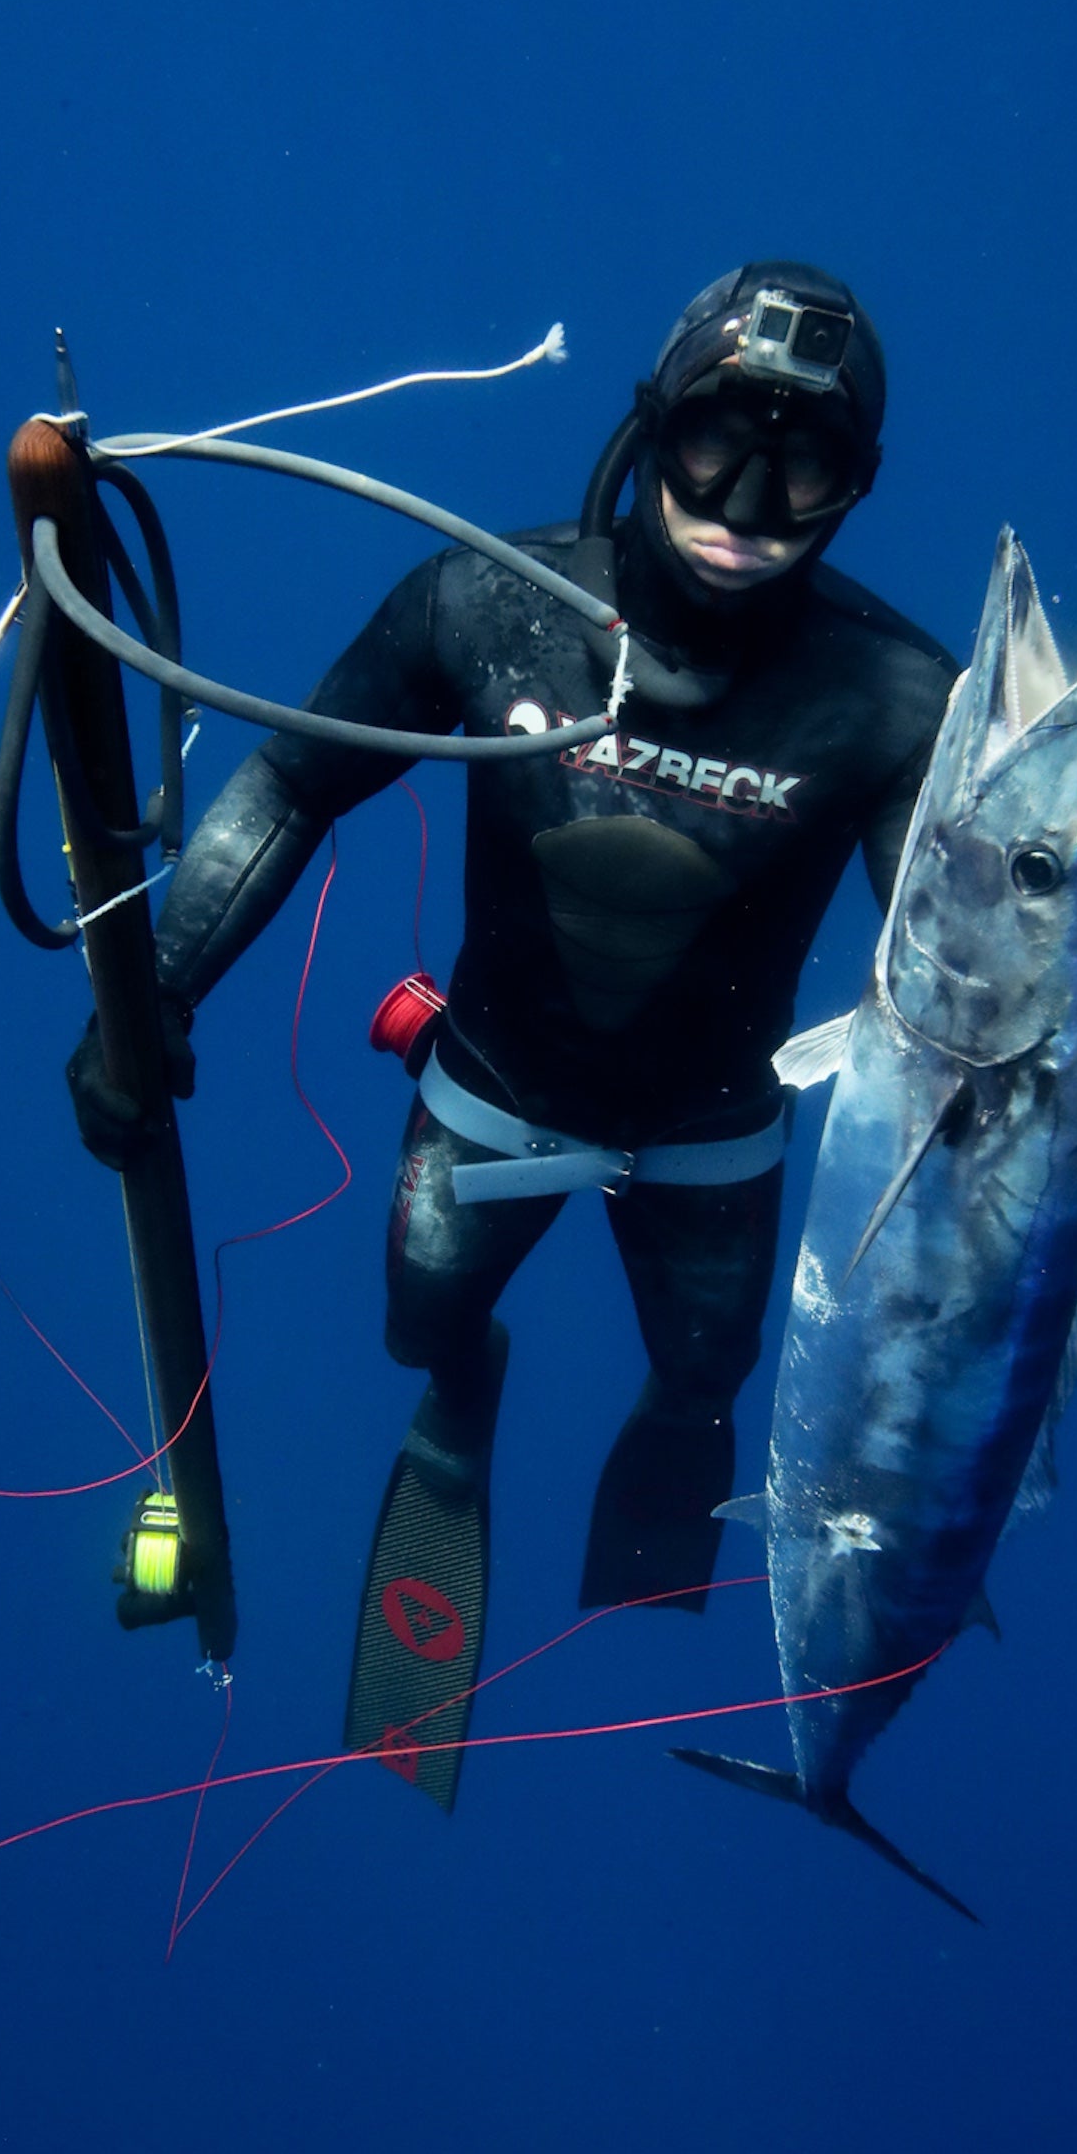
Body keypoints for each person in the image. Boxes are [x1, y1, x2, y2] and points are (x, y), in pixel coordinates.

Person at [68, 262, 957, 1802]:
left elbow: (950, 992)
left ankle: (643, 1545)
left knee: (705, 1377)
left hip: (716, 1137)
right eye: (715, 444)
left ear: (855, 487)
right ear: (653, 425)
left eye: (803, 465)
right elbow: (290, 784)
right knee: (420, 1326)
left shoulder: (899, 702)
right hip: (492, 1089)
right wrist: (154, 994)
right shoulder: (486, 602)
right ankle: (462, 1393)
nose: (748, 503)